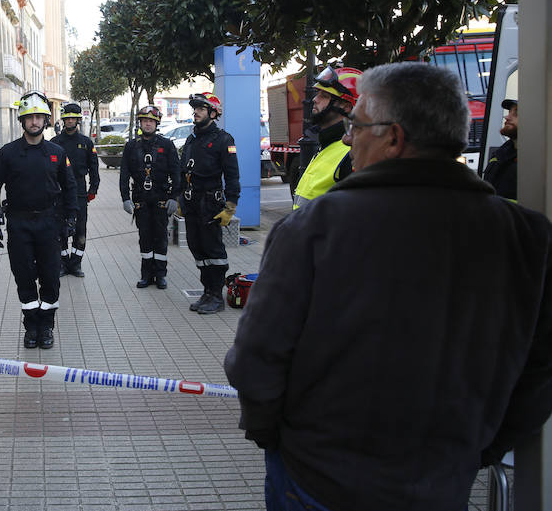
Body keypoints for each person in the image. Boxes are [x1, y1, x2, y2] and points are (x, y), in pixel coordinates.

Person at [224, 62, 552, 511]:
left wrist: (278, 440)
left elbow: (257, 358)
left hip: (317, 481)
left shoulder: (315, 230)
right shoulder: (529, 236)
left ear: (394, 138)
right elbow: (540, 370)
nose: (346, 138)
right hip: (444, 479)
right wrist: (478, 450)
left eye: (356, 126)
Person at [0, 90, 77, 349]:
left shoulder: (57, 152)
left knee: (50, 277)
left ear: (46, 120)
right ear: (22, 121)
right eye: (29, 117)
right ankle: (31, 327)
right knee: (24, 277)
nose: (34, 122)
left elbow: (70, 188)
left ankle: (47, 326)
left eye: (39, 117)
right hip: (19, 225)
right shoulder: (8, 153)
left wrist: (71, 218)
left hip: (49, 224)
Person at [179, 92, 241, 314]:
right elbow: (182, 170)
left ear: (213, 113)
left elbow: (232, 175)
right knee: (198, 249)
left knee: (213, 250)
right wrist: (179, 197)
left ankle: (217, 295)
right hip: (191, 203)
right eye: (195, 108)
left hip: (210, 204)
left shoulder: (224, 140)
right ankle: (207, 292)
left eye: (201, 109)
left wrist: (230, 206)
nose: (196, 112)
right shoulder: (191, 139)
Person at [119, 105, 180, 289]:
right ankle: (146, 275)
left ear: (157, 123)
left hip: (161, 200)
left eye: (151, 121)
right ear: (140, 123)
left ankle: (160, 275)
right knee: (144, 237)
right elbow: (124, 175)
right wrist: (125, 198)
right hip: (140, 200)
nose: (148, 124)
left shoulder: (166, 145)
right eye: (145, 121)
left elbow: (177, 172)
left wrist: (174, 197)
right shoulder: (131, 146)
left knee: (160, 237)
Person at [292, 66, 362, 209]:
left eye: (324, 96)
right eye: (318, 93)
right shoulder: (326, 144)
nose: (315, 99)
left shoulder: (351, 154)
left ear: (346, 106)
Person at [51, 102, 100, 277]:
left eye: (73, 118)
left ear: (78, 120)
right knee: (60, 229)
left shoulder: (86, 143)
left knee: (80, 229)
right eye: (67, 118)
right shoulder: (55, 143)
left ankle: (76, 264)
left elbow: (94, 167)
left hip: (79, 191)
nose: (70, 121)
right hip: (59, 192)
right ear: (63, 120)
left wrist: (93, 188)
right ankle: (63, 264)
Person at [483, 98, 518, 201]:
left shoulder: (540, 160)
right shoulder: (500, 155)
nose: (507, 117)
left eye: (516, 114)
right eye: (509, 112)